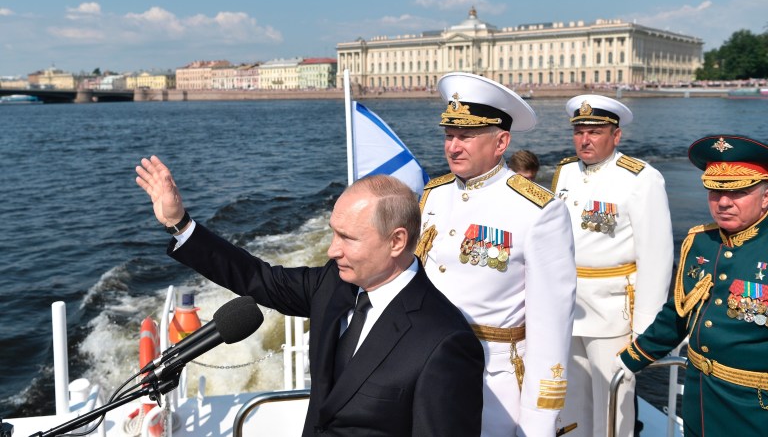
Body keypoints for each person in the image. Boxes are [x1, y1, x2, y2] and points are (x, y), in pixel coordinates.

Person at [135, 157, 485, 436]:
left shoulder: (444, 342)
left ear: (396, 241)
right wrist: (180, 223)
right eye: (333, 234)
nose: (333, 250)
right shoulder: (333, 285)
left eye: (348, 238)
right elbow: (258, 278)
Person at [415, 72, 577, 436]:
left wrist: (538, 421)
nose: (453, 147)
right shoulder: (434, 195)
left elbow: (551, 324)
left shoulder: (538, 211)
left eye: (467, 136)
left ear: (501, 141)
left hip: (494, 383)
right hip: (426, 368)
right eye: (449, 135)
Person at [617, 134, 768, 436]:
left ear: (766, 196)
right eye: (714, 191)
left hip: (754, 405)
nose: (723, 202)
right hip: (700, 393)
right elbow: (679, 313)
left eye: (738, 192)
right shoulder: (700, 242)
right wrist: (631, 358)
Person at [551, 94, 673, 437]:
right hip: (567, 308)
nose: (585, 139)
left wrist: (645, 326)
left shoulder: (640, 178)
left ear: (615, 136)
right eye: (579, 131)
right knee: (571, 401)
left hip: (613, 311)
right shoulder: (564, 173)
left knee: (613, 404)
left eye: (595, 131)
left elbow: (657, 256)